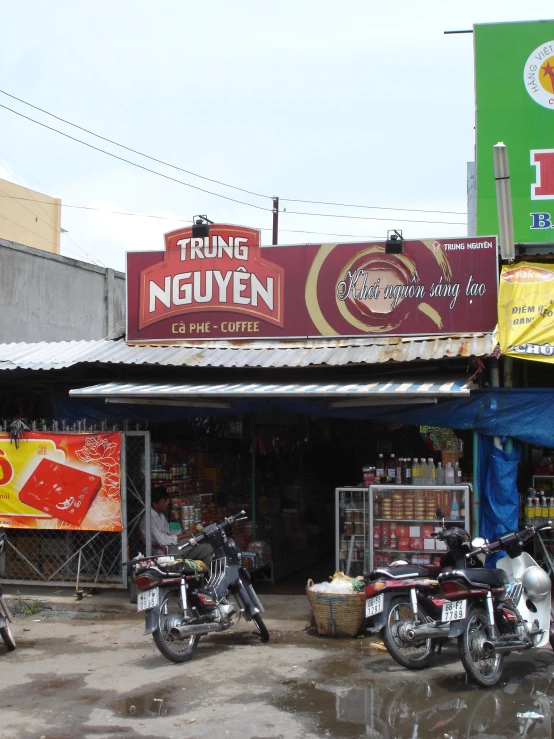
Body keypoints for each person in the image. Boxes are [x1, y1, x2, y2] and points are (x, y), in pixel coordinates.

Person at [139, 486, 213, 564]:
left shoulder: (160, 515)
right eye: (164, 501)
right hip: (165, 552)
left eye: (167, 500)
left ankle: (213, 574)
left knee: (207, 548)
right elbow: (162, 540)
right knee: (195, 537)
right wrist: (185, 535)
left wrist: (186, 531)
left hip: (174, 546)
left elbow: (169, 530)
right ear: (154, 504)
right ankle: (206, 532)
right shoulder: (148, 520)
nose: (167, 503)